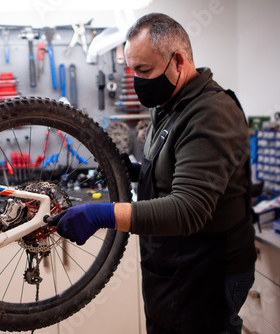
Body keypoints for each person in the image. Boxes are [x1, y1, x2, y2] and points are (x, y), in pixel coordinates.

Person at [47, 13, 257, 334]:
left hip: (207, 274)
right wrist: (129, 171)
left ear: (178, 61)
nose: (137, 81)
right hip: (173, 268)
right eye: (132, 71)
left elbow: (188, 209)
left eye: (144, 70)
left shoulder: (211, 113)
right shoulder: (168, 102)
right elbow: (167, 171)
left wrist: (100, 215)